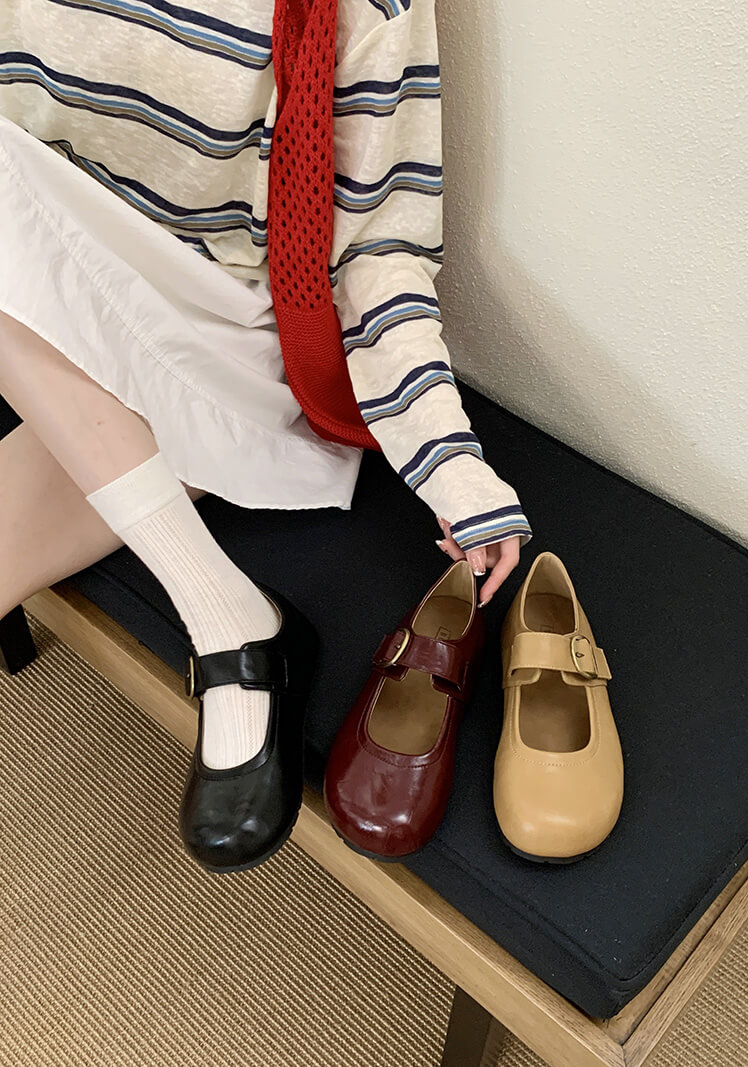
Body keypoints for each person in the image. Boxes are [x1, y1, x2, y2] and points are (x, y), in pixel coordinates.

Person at [0, 0, 531, 863]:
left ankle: (228, 627)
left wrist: (454, 467)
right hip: (45, 303)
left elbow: (377, 251)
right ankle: (232, 610)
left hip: (218, 339)